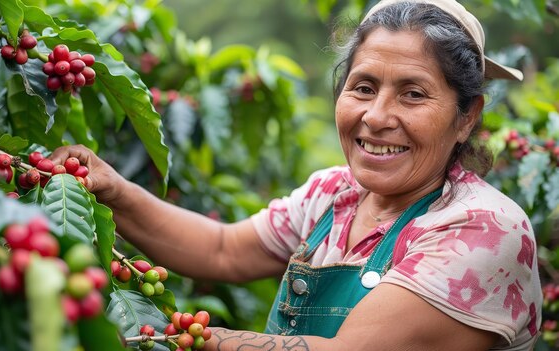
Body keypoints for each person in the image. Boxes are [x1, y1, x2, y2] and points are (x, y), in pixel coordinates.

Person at [51, 0, 543, 349]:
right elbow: (222, 250)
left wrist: (157, 339)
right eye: (364, 87)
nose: (376, 116)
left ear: (467, 116)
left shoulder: (483, 228)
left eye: (413, 94)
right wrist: (113, 190)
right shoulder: (334, 194)